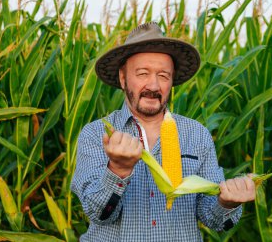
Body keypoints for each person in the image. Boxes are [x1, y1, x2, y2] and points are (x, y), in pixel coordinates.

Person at [71, 22, 255, 242]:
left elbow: (213, 219)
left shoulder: (197, 134)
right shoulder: (95, 134)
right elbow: (97, 214)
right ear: (123, 78)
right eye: (142, 73)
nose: (154, 85)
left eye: (164, 76)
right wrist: (118, 170)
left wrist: (227, 203)